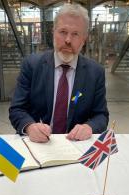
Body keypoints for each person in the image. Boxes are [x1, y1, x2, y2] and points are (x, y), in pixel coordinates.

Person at [9, 3, 109, 143]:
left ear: (84, 39)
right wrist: (30, 127)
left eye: (75, 34)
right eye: (63, 32)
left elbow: (101, 115)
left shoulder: (95, 72)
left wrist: (89, 127)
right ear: (53, 32)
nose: (68, 40)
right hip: (38, 144)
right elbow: (17, 109)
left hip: (75, 144)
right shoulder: (31, 65)